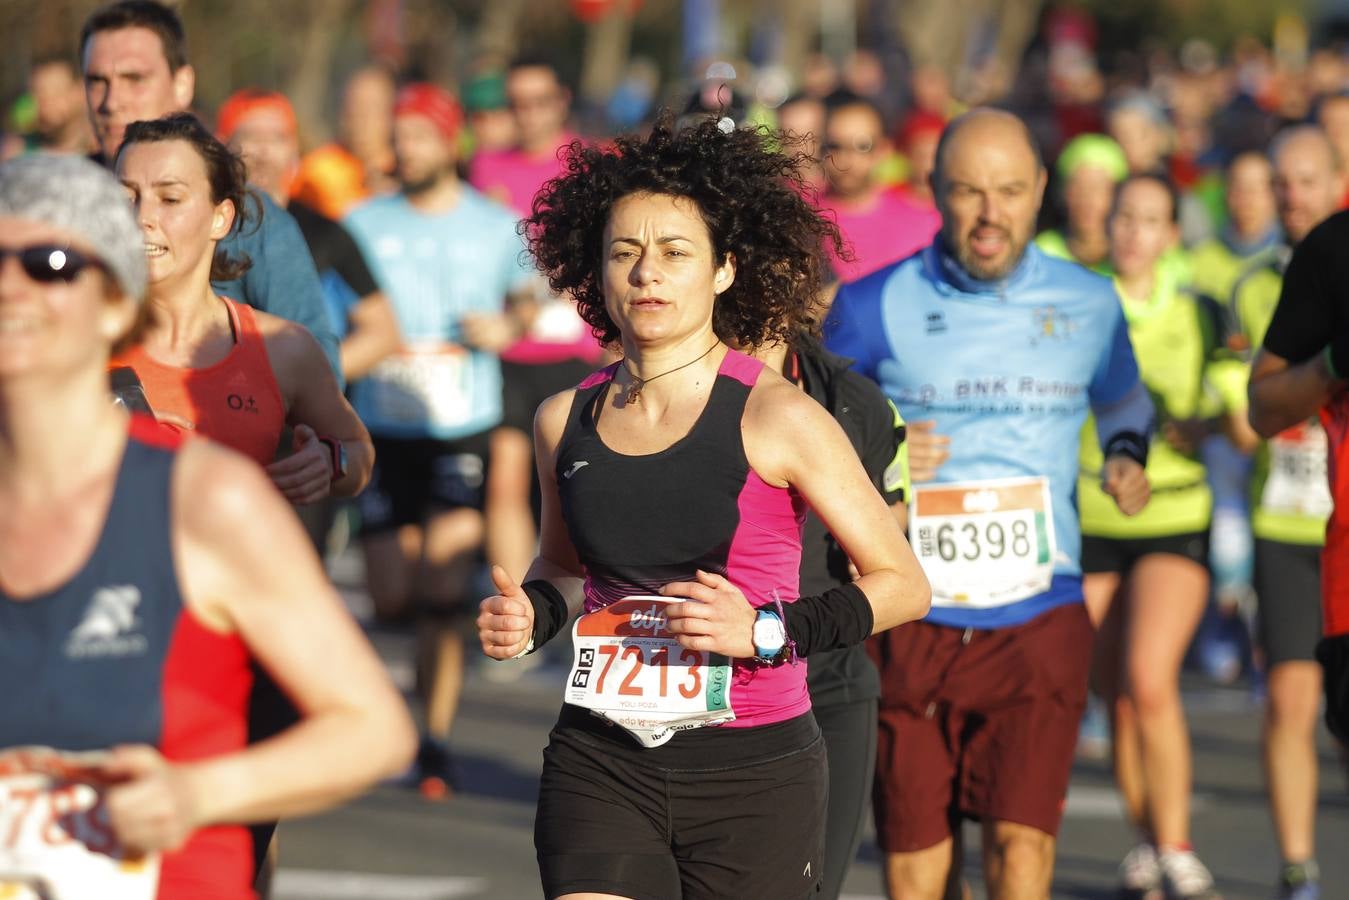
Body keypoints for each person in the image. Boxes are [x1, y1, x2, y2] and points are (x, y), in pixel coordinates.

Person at [477, 114, 931, 899]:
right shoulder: (563, 418)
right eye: (624, 253)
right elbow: (563, 568)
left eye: (674, 253)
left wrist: (763, 629)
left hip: (753, 772)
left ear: (722, 271)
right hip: (600, 754)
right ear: (596, 273)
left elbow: (902, 583)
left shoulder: (779, 416)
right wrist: (531, 618)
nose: (647, 273)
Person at [0, 152, 413, 900]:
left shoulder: (204, 495)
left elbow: (373, 729)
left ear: (111, 304)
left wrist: (196, 796)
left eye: (49, 262)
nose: (10, 284)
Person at [824, 108, 1152, 899]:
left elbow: (1124, 400)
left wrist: (1124, 455)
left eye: (1008, 191)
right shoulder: (870, 305)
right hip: (912, 614)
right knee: (915, 869)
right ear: (935, 190)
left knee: (1020, 855)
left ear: (1041, 191)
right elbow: (809, 425)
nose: (989, 214)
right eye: (968, 192)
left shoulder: (1089, 302)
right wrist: (885, 445)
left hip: (1040, 607)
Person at [344, 82, 533, 799]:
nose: (405, 149)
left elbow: (525, 295)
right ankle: (400, 705)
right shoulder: (362, 220)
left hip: (462, 418)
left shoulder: (493, 223)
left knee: (444, 590)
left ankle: (434, 741)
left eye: (420, 136)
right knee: (393, 593)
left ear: (450, 142)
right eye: (399, 136)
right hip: (382, 420)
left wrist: (507, 326)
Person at [1079, 173, 1239, 900]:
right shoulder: (1077, 303)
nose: (1134, 233)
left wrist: (1202, 423)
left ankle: (1175, 847)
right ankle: (1146, 841)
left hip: (1174, 514)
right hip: (1088, 517)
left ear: (1172, 232)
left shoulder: (1198, 308)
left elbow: (1239, 416)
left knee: (1149, 680)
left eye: (1149, 220)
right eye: (1123, 218)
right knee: (1113, 695)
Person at [79, 0, 341, 379]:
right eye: (96, 81)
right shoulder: (56, 206)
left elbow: (318, 370)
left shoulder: (249, 215)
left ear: (183, 83)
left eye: (135, 79)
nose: (112, 102)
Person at [1230, 125, 1345, 900]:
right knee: (1290, 699)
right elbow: (1256, 408)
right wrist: (1333, 365)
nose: (1291, 196)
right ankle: (1299, 866)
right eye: (1282, 182)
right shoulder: (1309, 262)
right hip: (1292, 518)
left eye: (1307, 180)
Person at [756, 333, 909, 899]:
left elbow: (898, 574)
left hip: (828, 682)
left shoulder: (855, 402)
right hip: (707, 689)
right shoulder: (660, 394)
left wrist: (875, 540)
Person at [469, 55, 602, 585]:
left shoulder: (590, 164)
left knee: (572, 486)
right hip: (507, 354)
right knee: (504, 481)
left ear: (561, 101)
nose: (528, 114)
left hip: (575, 350)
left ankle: (578, 600)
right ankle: (516, 605)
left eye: (539, 101)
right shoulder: (486, 167)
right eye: (517, 103)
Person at [815, 90, 940, 283]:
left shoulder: (925, 222)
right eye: (835, 146)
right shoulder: (801, 220)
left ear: (884, 149)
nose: (848, 159)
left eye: (862, 146)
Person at [291, 65, 398, 220]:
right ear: (342, 114)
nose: (363, 119)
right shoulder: (315, 173)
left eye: (374, 108)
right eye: (355, 107)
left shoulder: (406, 173)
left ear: (392, 114)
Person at [1188, 150, 1281, 306]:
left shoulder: (1288, 259)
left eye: (1255, 189)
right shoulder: (1199, 260)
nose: (1246, 197)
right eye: (1238, 187)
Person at [1035, 132, 1128, 275]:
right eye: (1078, 188)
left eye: (1098, 188)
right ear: (1061, 192)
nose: (1087, 200)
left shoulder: (1134, 257)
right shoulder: (1041, 253)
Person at [26, 55, 93, 155]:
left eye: (55, 93)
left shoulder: (106, 156)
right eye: (37, 95)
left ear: (81, 92)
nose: (45, 105)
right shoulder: (19, 156)